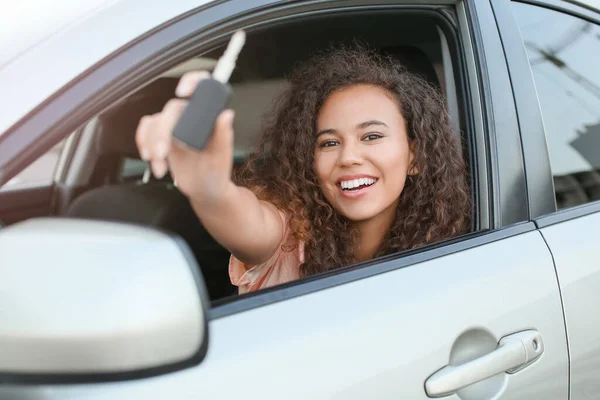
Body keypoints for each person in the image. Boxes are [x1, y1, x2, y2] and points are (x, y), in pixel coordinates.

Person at [136, 45, 470, 294]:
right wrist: (209, 186)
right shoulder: (288, 239)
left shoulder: (455, 252)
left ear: (416, 157)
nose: (349, 157)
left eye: (371, 136)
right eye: (328, 143)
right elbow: (240, 215)